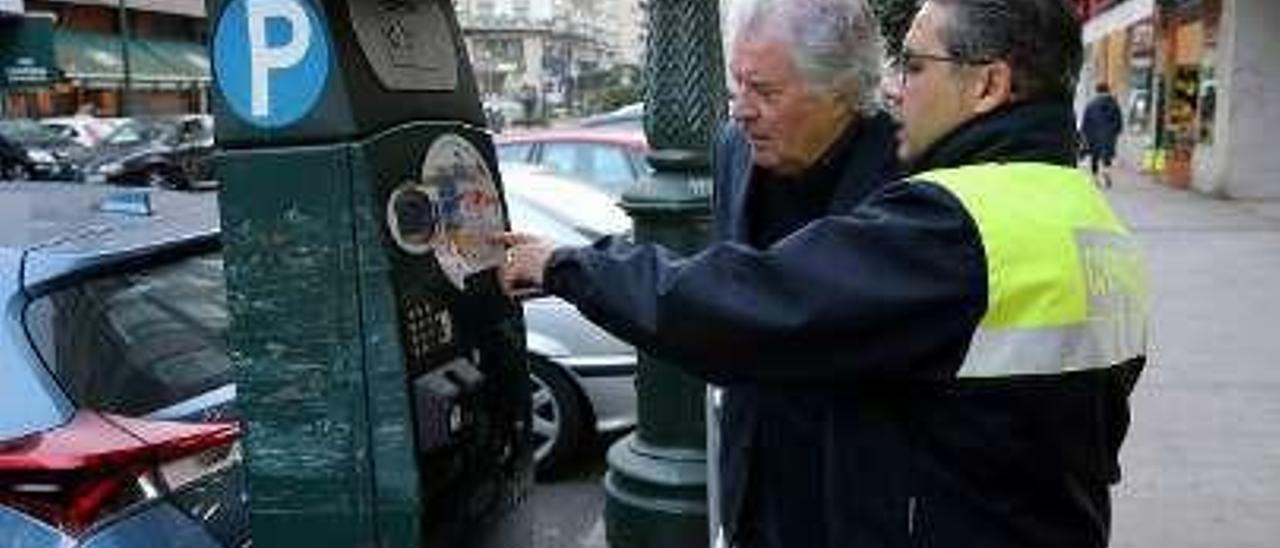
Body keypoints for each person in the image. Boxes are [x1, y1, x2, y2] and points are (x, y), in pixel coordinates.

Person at [499, 0, 1148, 547]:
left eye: (917, 66)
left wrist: (568, 266)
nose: (901, 86)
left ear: (989, 84)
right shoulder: (1086, 218)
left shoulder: (952, 221)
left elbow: (750, 305)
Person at [1082, 82, 1124, 187]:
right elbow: (1118, 121)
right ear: (1108, 90)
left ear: (1096, 91)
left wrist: (1085, 135)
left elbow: (1085, 122)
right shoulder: (1114, 104)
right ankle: (1106, 171)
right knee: (1107, 156)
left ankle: (1095, 178)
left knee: (1094, 156)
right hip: (1109, 135)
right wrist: (1115, 132)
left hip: (1093, 135)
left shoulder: (1091, 105)